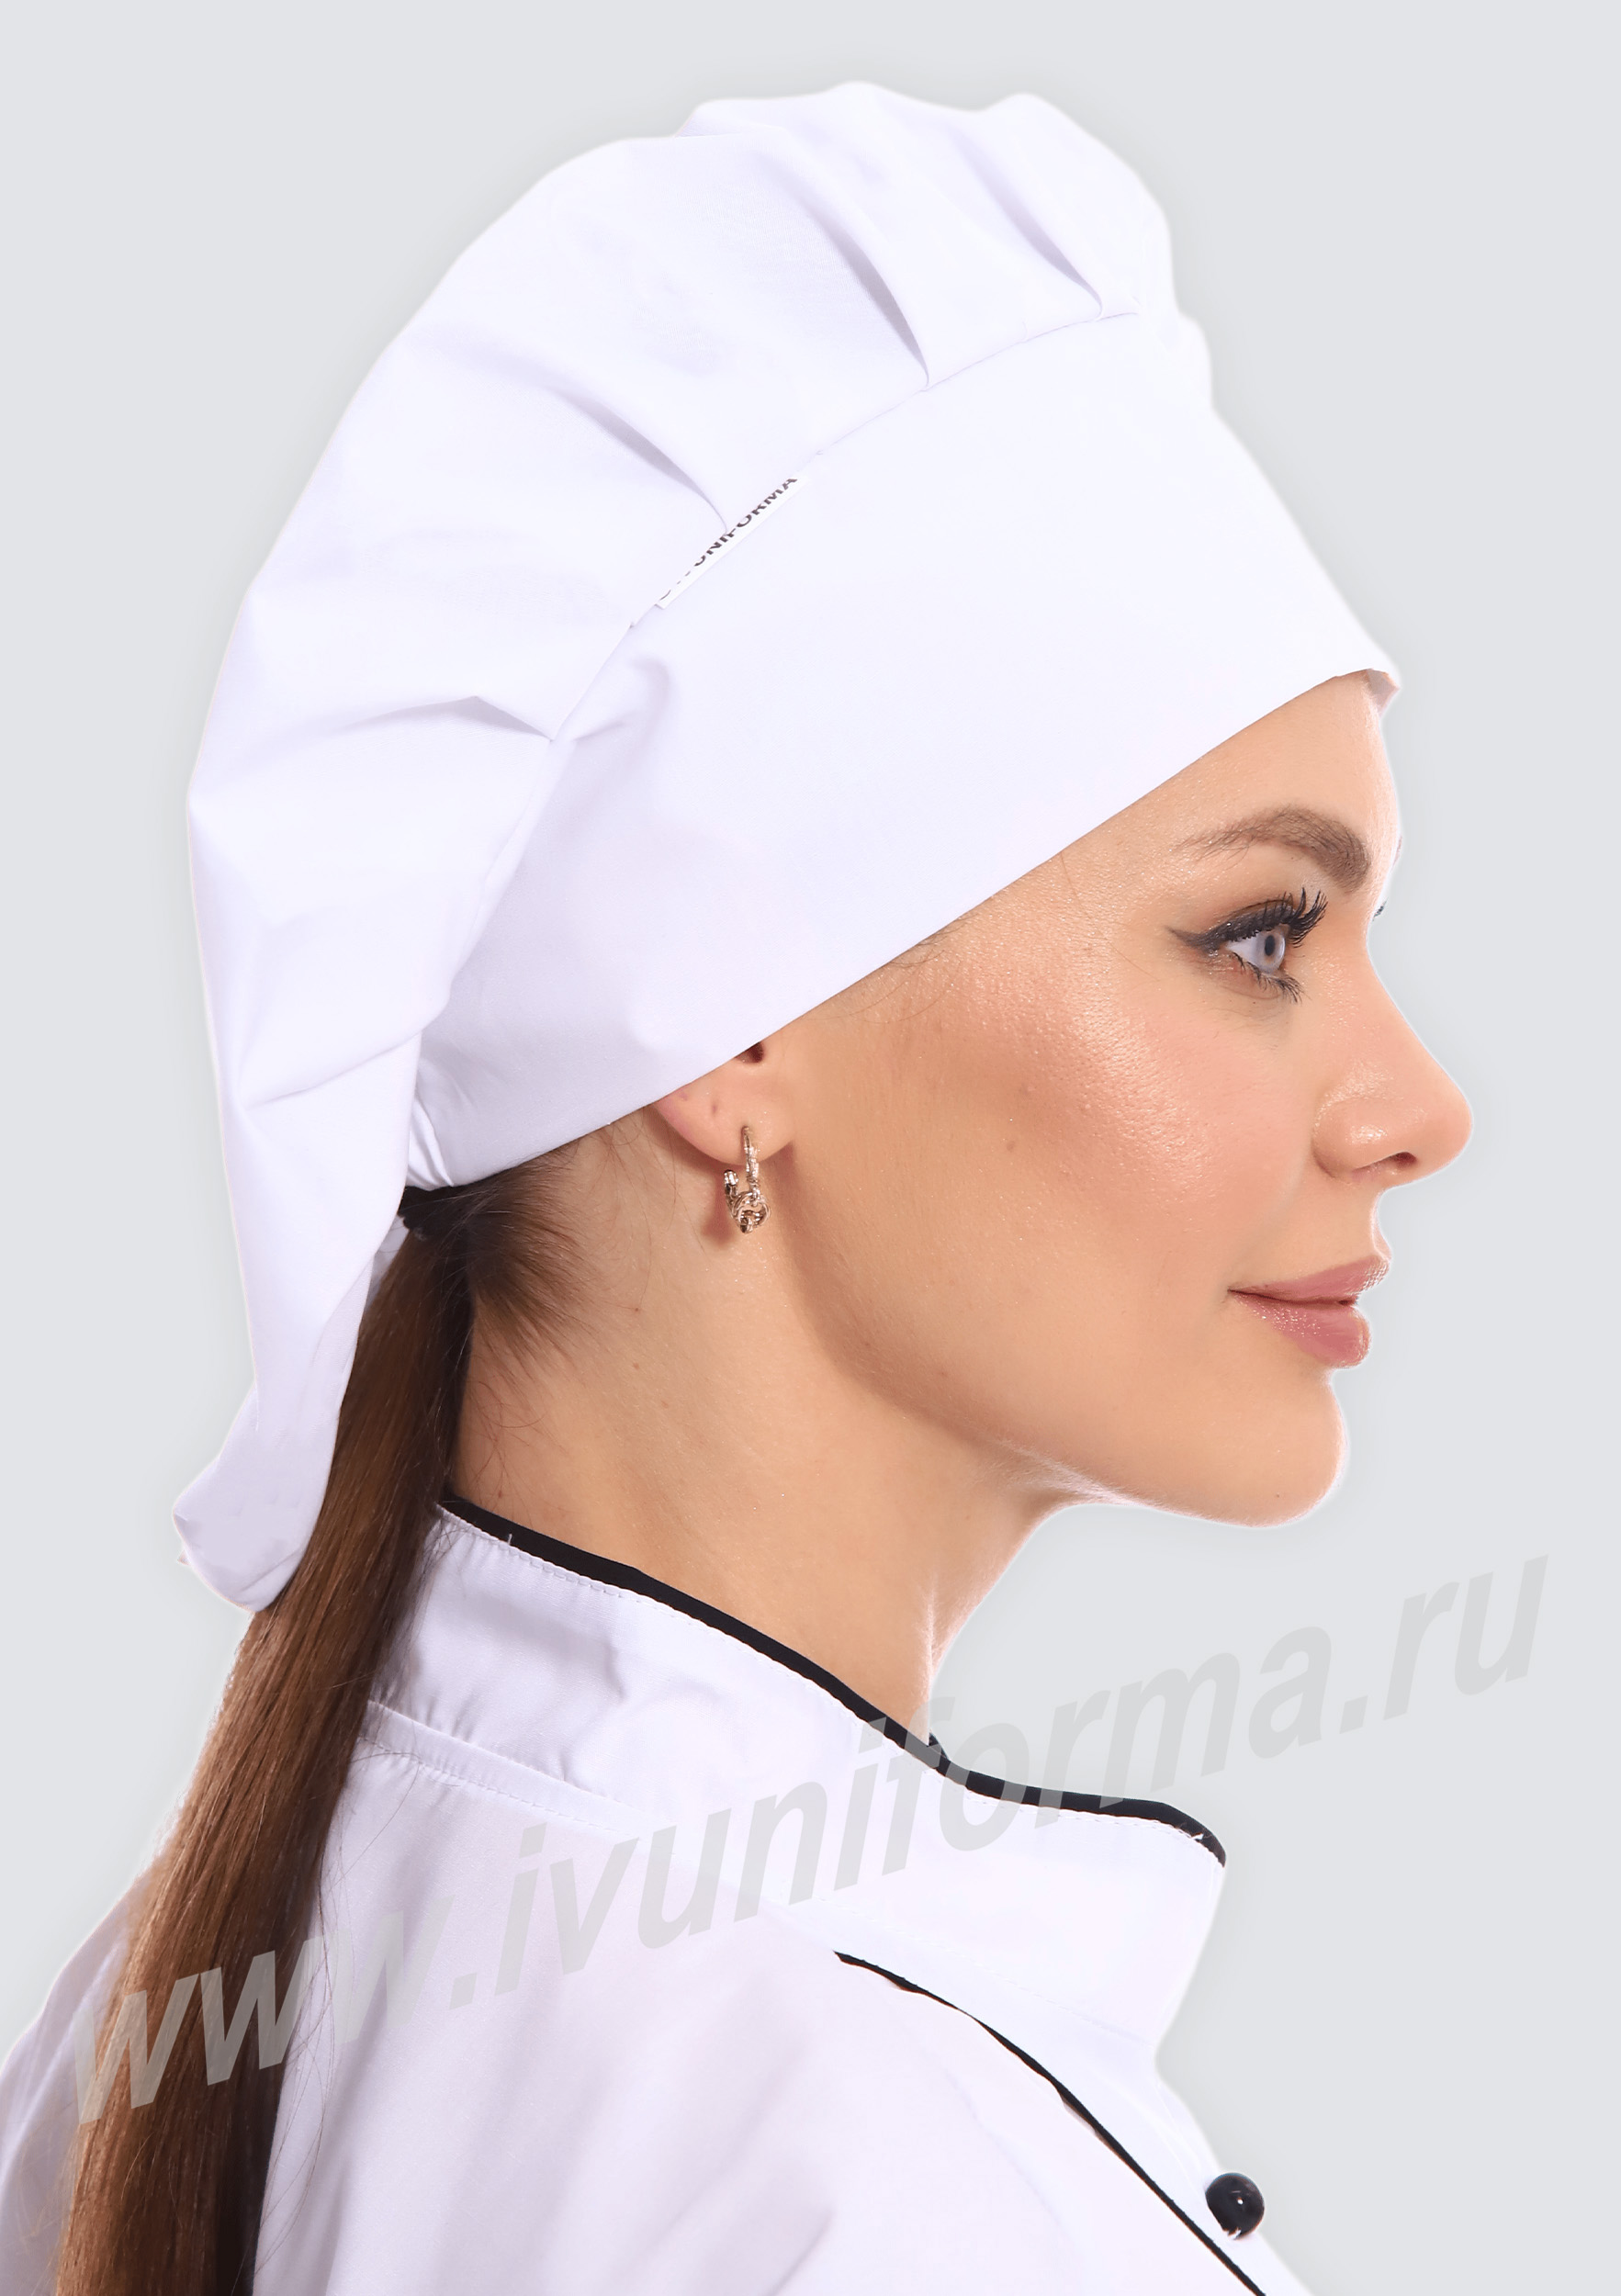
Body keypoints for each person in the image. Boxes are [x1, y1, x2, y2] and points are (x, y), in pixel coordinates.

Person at [0, 84, 1469, 2296]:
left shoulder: (157, 2018)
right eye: (1258, 935)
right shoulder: (884, 2194)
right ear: (728, 1022)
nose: (1419, 1105)